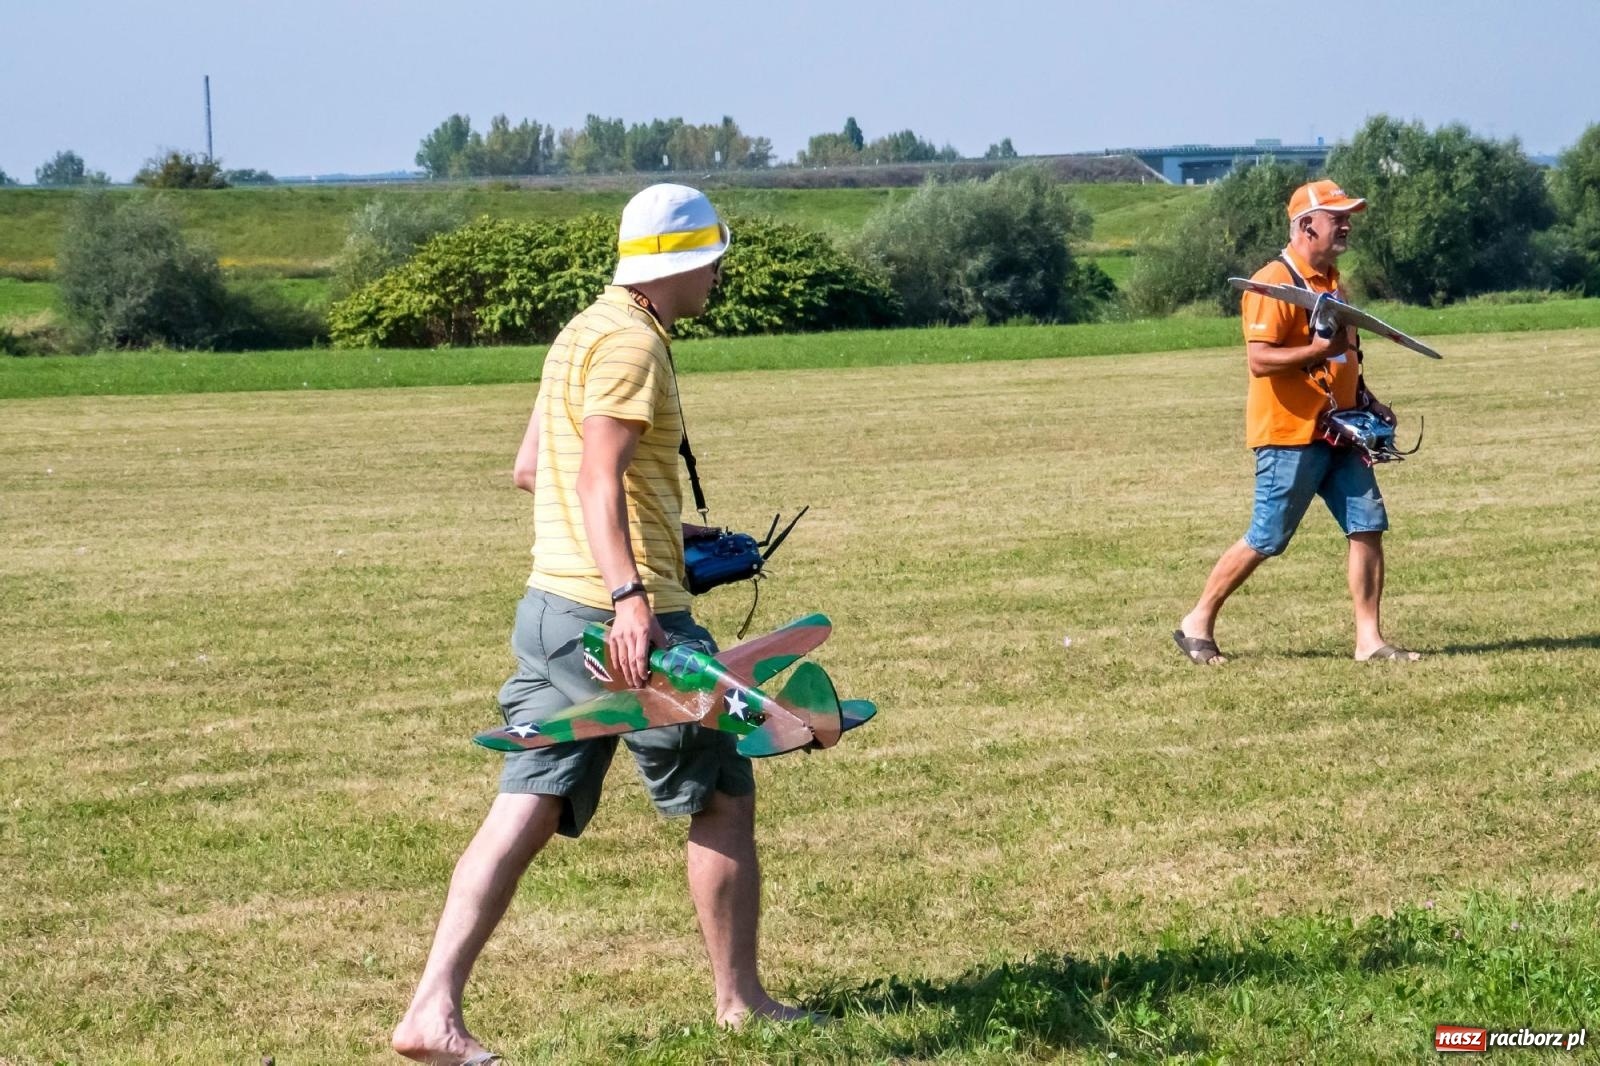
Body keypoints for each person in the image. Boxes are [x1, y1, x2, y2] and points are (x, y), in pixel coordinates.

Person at [394, 184, 805, 1066]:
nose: (722, 272)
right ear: (684, 263)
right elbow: (593, 479)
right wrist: (630, 596)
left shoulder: (584, 328)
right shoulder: (632, 346)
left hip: (550, 606)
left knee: (526, 799)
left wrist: (668, 528)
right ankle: (741, 1003)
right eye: (715, 258)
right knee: (723, 789)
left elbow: (530, 468)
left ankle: (431, 1010)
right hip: (620, 620)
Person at [1173, 179, 1421, 665]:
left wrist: (1369, 401)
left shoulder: (1333, 283)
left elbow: (1344, 357)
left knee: (1367, 525)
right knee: (1268, 537)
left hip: (1342, 431)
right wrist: (1318, 349)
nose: (1347, 224)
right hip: (1289, 434)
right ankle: (1196, 620)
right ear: (1307, 225)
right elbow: (1261, 361)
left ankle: (1369, 641)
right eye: (1337, 217)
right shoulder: (1271, 283)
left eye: (1348, 216)